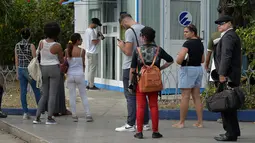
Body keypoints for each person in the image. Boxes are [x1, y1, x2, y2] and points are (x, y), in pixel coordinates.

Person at [129, 26, 173, 139]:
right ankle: (155, 132)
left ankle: (139, 132)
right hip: (154, 82)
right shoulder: (158, 50)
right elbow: (170, 60)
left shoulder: (137, 50)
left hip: (141, 82)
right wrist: (160, 68)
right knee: (154, 106)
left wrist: (131, 83)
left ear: (143, 37)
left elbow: (133, 69)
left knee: (141, 107)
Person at [115, 13, 150, 132]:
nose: (123, 28)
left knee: (130, 95)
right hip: (143, 66)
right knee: (142, 95)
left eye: (122, 26)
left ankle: (130, 123)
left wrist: (121, 46)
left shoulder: (130, 31)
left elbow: (129, 52)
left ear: (124, 22)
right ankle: (145, 123)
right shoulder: (144, 28)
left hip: (130, 66)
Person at [213, 15, 241, 142]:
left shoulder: (228, 36)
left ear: (229, 23)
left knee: (226, 104)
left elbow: (226, 56)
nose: (219, 25)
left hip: (228, 76)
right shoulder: (229, 35)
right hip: (231, 75)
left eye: (222, 23)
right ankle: (233, 131)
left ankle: (230, 133)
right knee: (230, 103)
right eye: (218, 24)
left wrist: (222, 73)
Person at [172, 24, 205, 128]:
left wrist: (178, 58)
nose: (184, 33)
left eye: (186, 32)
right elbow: (202, 60)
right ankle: (200, 122)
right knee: (196, 96)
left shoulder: (188, 43)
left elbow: (179, 59)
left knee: (185, 96)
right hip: (198, 69)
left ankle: (181, 122)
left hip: (187, 70)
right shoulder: (200, 43)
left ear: (193, 32)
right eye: (184, 31)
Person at [33, 22, 64, 125]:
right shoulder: (57, 45)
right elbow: (61, 60)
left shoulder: (41, 42)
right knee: (52, 94)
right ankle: (49, 118)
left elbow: (38, 54)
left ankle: (37, 117)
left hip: (43, 68)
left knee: (44, 94)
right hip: (54, 68)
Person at [66, 33, 93, 122]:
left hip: (70, 75)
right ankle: (88, 114)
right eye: (80, 39)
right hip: (79, 74)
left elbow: (65, 63)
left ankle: (74, 115)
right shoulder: (82, 51)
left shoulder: (67, 50)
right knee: (83, 95)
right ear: (77, 41)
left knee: (72, 96)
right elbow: (83, 64)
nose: (81, 41)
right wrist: (82, 71)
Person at [14, 28, 41, 120]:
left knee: (23, 91)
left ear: (21, 35)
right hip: (29, 71)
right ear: (29, 36)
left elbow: (16, 60)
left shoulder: (17, 46)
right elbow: (34, 59)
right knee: (36, 90)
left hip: (21, 69)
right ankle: (40, 111)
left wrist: (17, 72)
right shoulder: (31, 46)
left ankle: (25, 112)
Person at [85, 18, 103, 90]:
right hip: (93, 52)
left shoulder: (87, 30)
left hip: (88, 51)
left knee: (89, 69)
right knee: (92, 69)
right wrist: (99, 38)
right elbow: (94, 42)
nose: (97, 26)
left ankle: (88, 84)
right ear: (94, 23)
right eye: (96, 25)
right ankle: (91, 85)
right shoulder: (91, 31)